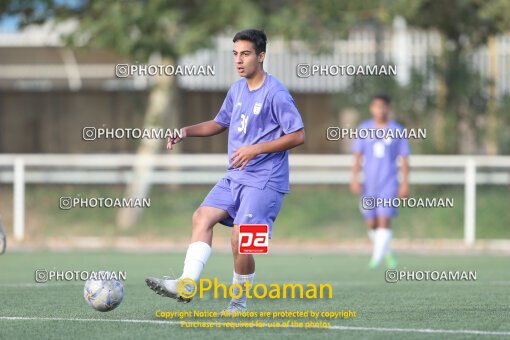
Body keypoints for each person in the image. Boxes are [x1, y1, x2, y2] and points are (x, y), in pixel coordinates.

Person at [146, 29, 305, 312]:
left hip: (266, 181)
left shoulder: (276, 93)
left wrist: (256, 149)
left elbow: (298, 135)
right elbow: (219, 123)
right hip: (236, 176)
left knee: (242, 240)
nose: (239, 60)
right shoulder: (236, 90)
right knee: (202, 216)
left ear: (261, 56)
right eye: (235, 54)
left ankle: (238, 303)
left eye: (245, 54)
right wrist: (185, 131)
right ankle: (186, 284)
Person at [350, 95, 409, 269]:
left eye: (383, 106)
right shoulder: (364, 128)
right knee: (372, 223)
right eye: (376, 106)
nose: (380, 110)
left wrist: (404, 183)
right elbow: (357, 157)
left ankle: (375, 260)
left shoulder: (397, 130)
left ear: (388, 108)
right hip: (369, 184)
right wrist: (354, 178)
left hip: (389, 182)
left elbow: (404, 159)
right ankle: (387, 252)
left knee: (384, 220)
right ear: (371, 108)